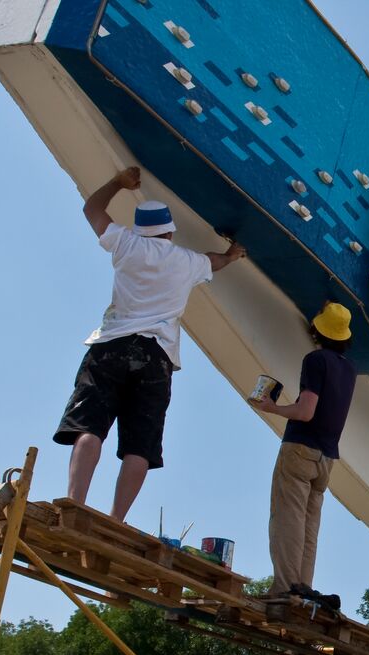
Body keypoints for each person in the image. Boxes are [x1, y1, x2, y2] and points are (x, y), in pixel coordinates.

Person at [53, 166, 247, 521]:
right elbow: (214, 262)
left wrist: (116, 183)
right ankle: (116, 519)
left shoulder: (127, 244)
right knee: (139, 445)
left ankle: (75, 504)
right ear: (170, 232)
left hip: (111, 346)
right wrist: (232, 255)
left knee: (89, 427)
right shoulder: (186, 261)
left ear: (142, 229)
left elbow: (92, 210)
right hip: (156, 356)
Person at [251, 302, 358, 602]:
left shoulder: (315, 360)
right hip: (327, 457)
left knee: (288, 519)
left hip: (300, 449)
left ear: (318, 331)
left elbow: (306, 411)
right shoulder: (349, 369)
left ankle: (283, 588)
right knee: (310, 526)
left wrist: (272, 407)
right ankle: (301, 589)